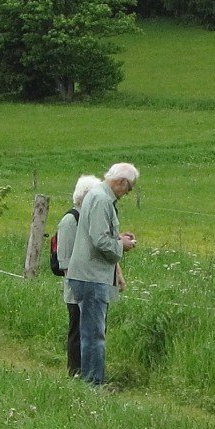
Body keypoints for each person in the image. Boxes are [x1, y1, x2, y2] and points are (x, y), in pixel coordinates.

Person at [64, 161, 138, 387]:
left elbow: (99, 233)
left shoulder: (97, 196)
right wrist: (121, 245)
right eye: (130, 187)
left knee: (89, 331)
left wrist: (118, 237)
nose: (128, 193)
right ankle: (94, 383)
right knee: (95, 334)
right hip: (91, 275)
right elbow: (99, 240)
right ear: (122, 182)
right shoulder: (102, 199)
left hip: (89, 274)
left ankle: (87, 379)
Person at [56, 174, 104, 376]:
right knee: (77, 331)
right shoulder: (70, 221)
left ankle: (91, 372)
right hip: (77, 289)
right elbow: (65, 262)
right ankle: (75, 372)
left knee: (93, 332)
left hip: (92, 286)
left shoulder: (90, 220)